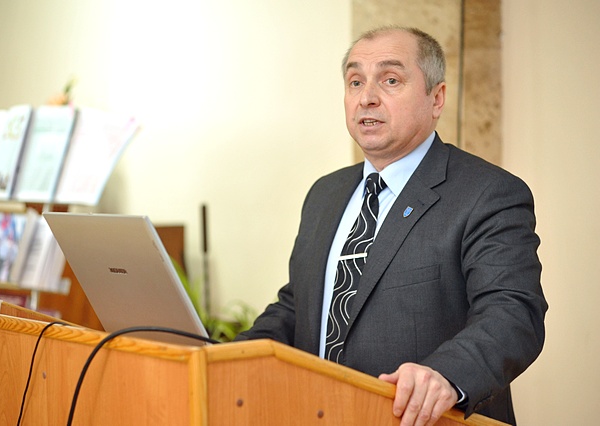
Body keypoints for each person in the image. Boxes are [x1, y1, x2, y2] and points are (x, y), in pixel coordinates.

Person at [235, 25, 548, 426]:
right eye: (355, 81)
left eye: (390, 80)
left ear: (436, 98)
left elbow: (513, 312)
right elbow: (300, 307)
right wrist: (227, 355)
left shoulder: (487, 193)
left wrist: (446, 374)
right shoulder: (324, 194)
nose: (366, 97)